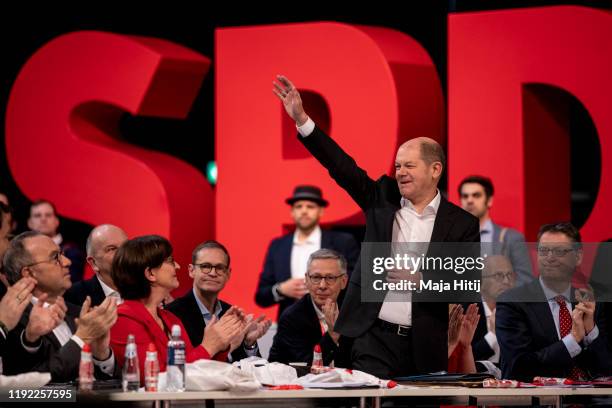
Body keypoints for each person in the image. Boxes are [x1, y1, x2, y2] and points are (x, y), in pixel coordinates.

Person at [273, 75, 480, 378]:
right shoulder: (381, 199)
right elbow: (341, 166)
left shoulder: (462, 223)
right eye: (397, 166)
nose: (400, 172)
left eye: (409, 165)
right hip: (371, 337)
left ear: (435, 169)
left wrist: (421, 280)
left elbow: (466, 284)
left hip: (424, 345)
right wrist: (304, 121)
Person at [110, 235, 247, 383]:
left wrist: (221, 342)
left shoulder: (170, 319)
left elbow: (196, 369)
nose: (177, 266)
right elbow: (153, 379)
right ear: (150, 273)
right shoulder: (124, 318)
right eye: (170, 261)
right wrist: (208, 346)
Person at [496, 222, 612, 381]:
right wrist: (572, 340)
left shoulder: (589, 303)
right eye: (543, 250)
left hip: (587, 399)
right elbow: (519, 366)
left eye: (559, 251)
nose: (549, 258)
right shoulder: (513, 302)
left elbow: (606, 370)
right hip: (538, 401)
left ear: (577, 257)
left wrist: (591, 332)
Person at [2, 231, 118, 381]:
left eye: (62, 253)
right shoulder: (11, 321)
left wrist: (102, 356)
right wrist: (81, 338)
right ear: (29, 273)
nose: (67, 261)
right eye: (55, 257)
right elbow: (29, 389)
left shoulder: (78, 312)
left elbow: (112, 388)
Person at [256, 185, 359, 320]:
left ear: (321, 211)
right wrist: (281, 289)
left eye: (310, 206)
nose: (304, 211)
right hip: (291, 326)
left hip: (334, 321)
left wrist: (329, 286)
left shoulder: (343, 242)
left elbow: (359, 282)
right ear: (292, 212)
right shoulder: (277, 246)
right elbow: (261, 296)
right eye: (299, 207)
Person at [167, 240, 271, 362]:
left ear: (228, 274)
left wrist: (249, 343)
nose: (213, 273)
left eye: (219, 268)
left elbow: (248, 370)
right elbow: (183, 366)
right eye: (205, 266)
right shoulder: (173, 314)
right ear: (192, 270)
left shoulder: (231, 312)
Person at [269, 249, 349, 366]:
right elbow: (307, 367)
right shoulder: (292, 318)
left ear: (343, 281)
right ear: (306, 280)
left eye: (330, 278)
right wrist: (332, 334)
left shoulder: (354, 312)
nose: (322, 286)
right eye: (316, 277)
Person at [459, 176, 532, 285]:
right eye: (465, 196)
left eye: (476, 195)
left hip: (501, 300)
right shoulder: (451, 237)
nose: (469, 200)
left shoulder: (512, 238)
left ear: (489, 201)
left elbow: (525, 280)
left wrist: (503, 300)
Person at [64, 224, 128, 306]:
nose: (123, 253)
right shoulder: (74, 296)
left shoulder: (145, 289)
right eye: (111, 249)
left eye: (126, 246)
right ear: (93, 263)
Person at [471, 255, 516, 364]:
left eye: (510, 275)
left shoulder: (520, 311)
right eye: (498, 275)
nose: (506, 281)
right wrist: (493, 335)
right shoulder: (466, 311)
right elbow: (461, 361)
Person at [27, 200, 85, 283]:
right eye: (37, 216)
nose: (43, 219)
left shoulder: (72, 251)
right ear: (29, 223)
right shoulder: (23, 251)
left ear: (56, 221)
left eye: (48, 215)